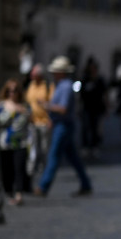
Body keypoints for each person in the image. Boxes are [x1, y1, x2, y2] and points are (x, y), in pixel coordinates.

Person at [35, 56, 93, 197]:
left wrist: (46, 106)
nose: (53, 74)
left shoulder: (66, 86)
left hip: (64, 126)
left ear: (61, 72)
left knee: (54, 156)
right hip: (61, 124)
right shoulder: (61, 85)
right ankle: (85, 184)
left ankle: (44, 186)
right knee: (73, 158)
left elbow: (63, 109)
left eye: (56, 71)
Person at [0, 79, 32, 205]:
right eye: (9, 91)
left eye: (15, 91)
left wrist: (23, 112)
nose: (12, 93)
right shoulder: (1, 106)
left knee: (19, 168)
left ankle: (19, 194)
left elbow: (31, 120)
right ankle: (9, 192)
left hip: (21, 142)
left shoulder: (25, 106)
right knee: (6, 170)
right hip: (4, 143)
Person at [25, 63, 53, 179]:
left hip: (44, 122)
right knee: (33, 148)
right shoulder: (30, 86)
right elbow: (26, 102)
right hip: (33, 122)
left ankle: (44, 168)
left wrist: (45, 106)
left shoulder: (47, 87)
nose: (31, 76)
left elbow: (52, 104)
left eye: (34, 74)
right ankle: (31, 170)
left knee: (44, 148)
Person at [79, 57, 109, 158]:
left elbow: (105, 94)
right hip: (87, 107)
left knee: (95, 128)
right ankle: (86, 146)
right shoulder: (85, 80)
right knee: (85, 127)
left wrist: (107, 107)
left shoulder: (100, 80)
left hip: (97, 108)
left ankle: (94, 146)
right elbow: (80, 94)